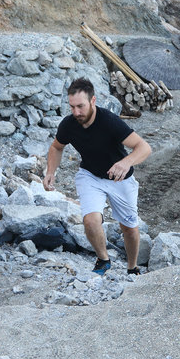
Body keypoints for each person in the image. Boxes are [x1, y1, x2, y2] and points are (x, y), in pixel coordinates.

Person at [43, 78, 152, 276]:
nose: (76, 112)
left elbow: (144, 147)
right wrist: (51, 172)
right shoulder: (69, 124)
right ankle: (103, 260)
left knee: (129, 228)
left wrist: (126, 162)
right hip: (90, 176)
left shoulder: (109, 121)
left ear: (93, 101)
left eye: (81, 106)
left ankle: (132, 267)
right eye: (72, 107)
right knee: (90, 221)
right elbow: (56, 147)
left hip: (121, 179)